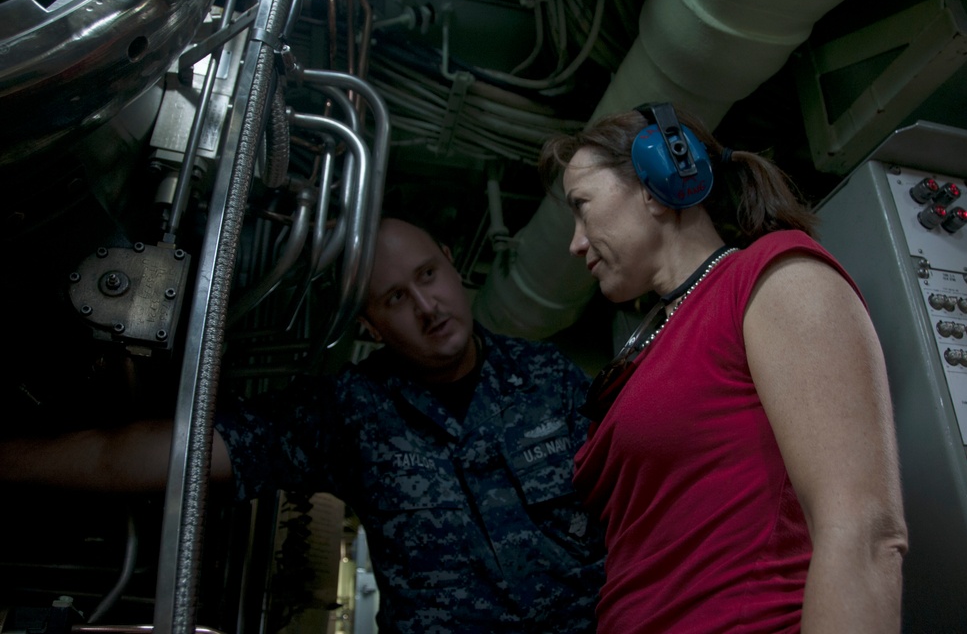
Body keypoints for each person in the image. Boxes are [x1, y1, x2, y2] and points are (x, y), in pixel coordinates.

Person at [0, 218, 605, 634]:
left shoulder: (548, 376)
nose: (427, 307)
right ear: (369, 325)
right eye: (394, 298)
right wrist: (11, 459)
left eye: (427, 275)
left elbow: (637, 501)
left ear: (451, 263)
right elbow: (181, 451)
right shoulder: (350, 411)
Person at [537, 103, 909, 634]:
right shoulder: (652, 345)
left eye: (582, 205)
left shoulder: (774, 279)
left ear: (656, 182)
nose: (575, 243)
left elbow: (864, 533)